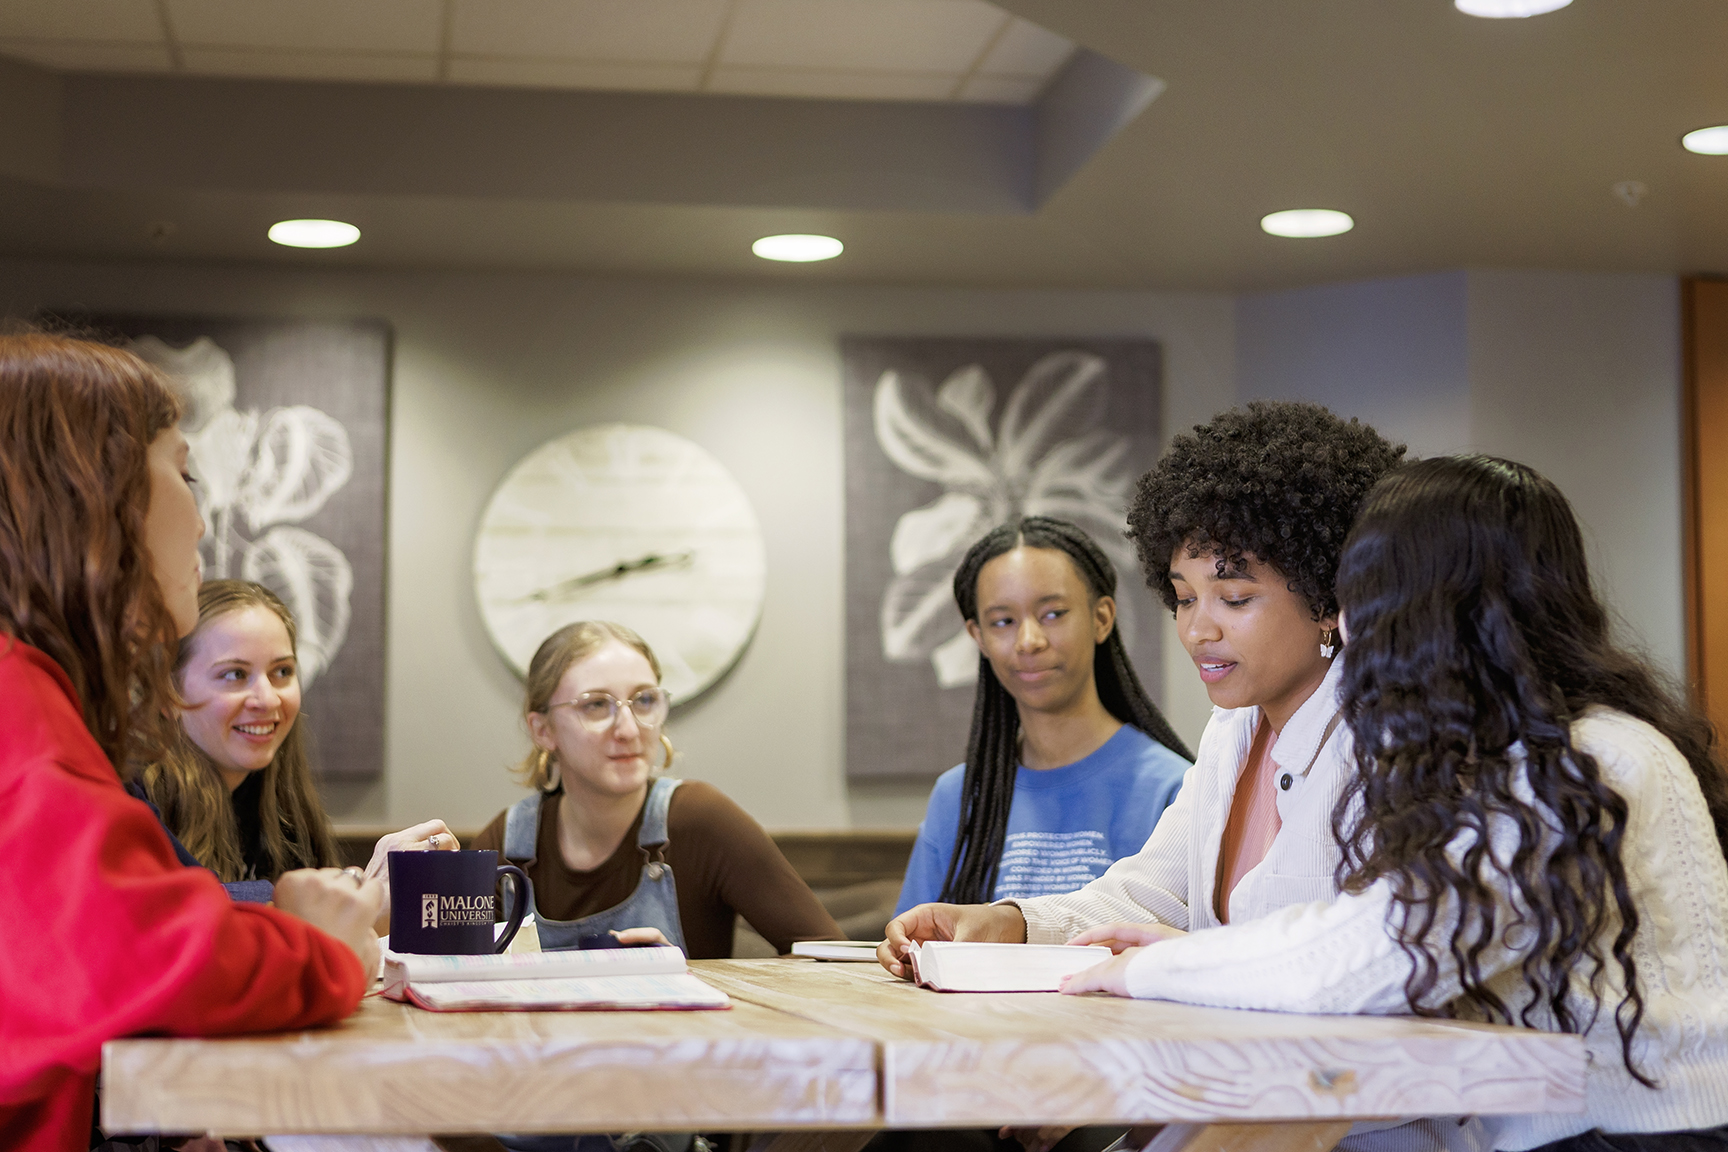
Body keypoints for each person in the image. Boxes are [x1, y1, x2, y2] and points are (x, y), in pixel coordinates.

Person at [1062, 455, 1728, 1152]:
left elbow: (1382, 946)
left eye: (1367, 597)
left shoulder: (1589, 760)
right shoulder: (1540, 751)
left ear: (1444, 608)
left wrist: (1152, 967)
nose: (1347, 626)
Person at [877, 402, 1404, 1152]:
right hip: (1217, 1111)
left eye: (1235, 596)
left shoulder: (1384, 745)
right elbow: (1144, 892)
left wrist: (1173, 974)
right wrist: (1014, 922)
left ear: (1328, 597)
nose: (1197, 629)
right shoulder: (1232, 731)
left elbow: (1346, 972)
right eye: (1185, 597)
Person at [0, 332, 381, 1152]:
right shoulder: (20, 711)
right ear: (97, 497)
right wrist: (322, 949)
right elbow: (152, 961)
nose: (203, 516)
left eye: (281, 672)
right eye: (184, 472)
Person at [469, 620, 840, 958]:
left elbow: (830, 961)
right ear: (543, 730)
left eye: (644, 700)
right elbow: (456, 988)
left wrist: (685, 977)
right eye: (597, 705)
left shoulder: (701, 822)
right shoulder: (505, 845)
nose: (629, 729)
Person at [895, 516, 1193, 915]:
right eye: (1003, 622)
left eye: (1053, 614)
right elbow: (914, 947)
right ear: (977, 637)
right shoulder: (958, 797)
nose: (1029, 641)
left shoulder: (1173, 790)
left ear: (1102, 618)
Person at [141, 578, 458, 925]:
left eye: (282, 672)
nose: (268, 699)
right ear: (168, 692)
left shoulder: (277, 808)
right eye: (234, 674)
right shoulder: (137, 807)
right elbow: (192, 925)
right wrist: (367, 900)